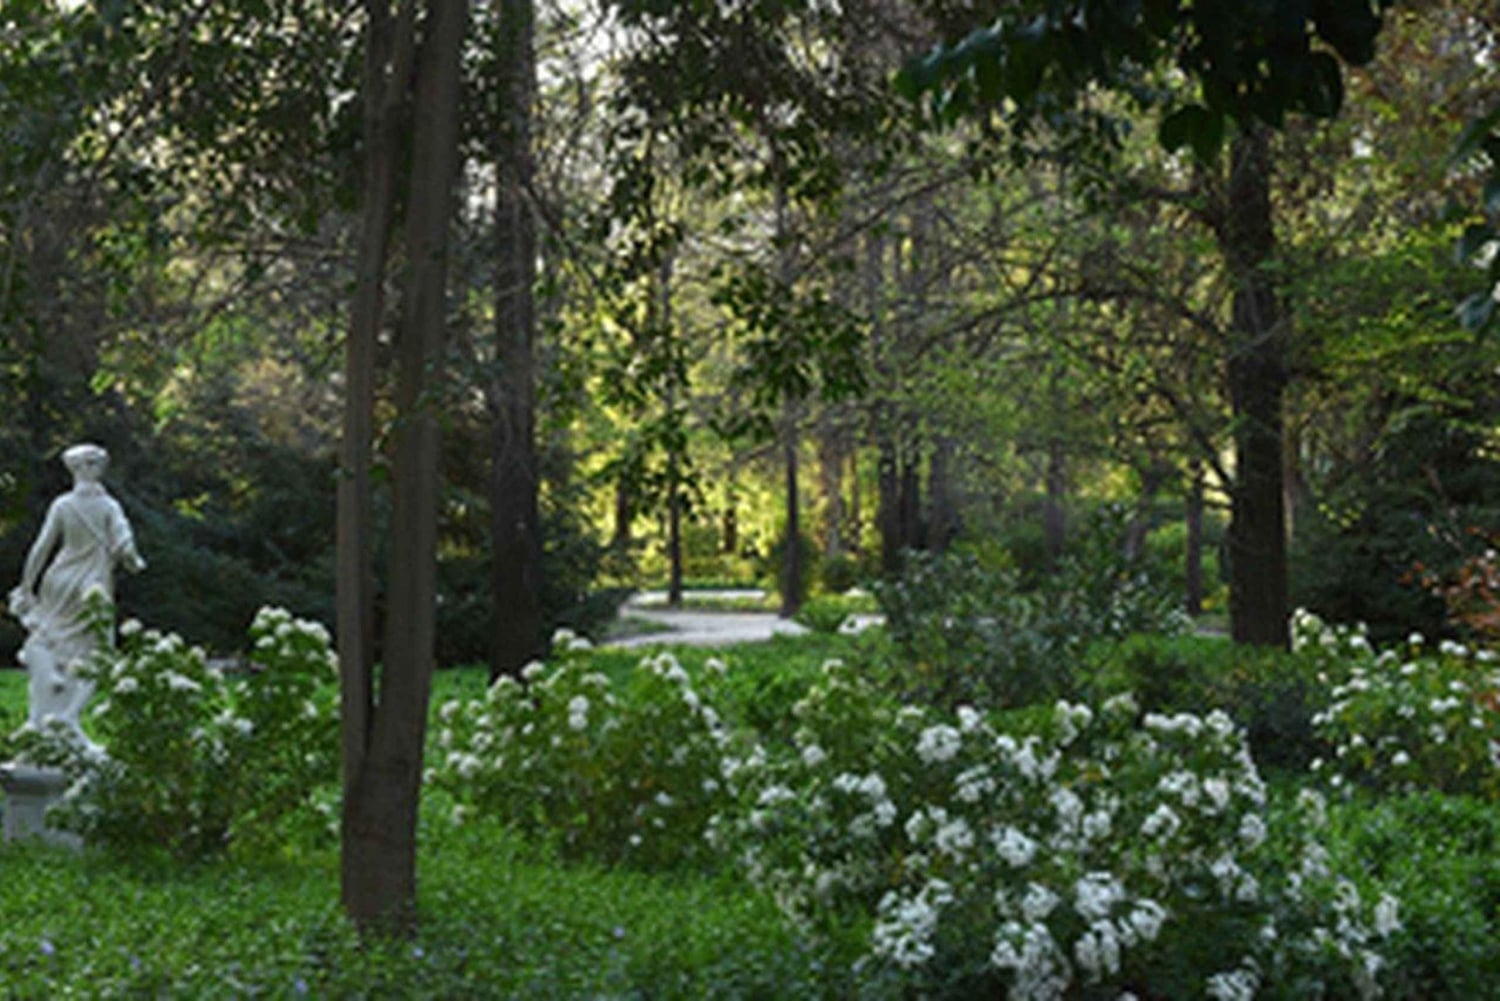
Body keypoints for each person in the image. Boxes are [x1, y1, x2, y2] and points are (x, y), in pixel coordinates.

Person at [8, 443, 145, 749]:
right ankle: (66, 716)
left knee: (48, 637)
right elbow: (124, 541)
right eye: (96, 463)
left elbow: (41, 548)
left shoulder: (63, 505)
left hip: (58, 579)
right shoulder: (108, 506)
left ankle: (43, 718)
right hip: (91, 585)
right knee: (98, 651)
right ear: (85, 468)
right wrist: (133, 559)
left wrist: (28, 585)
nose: (100, 469)